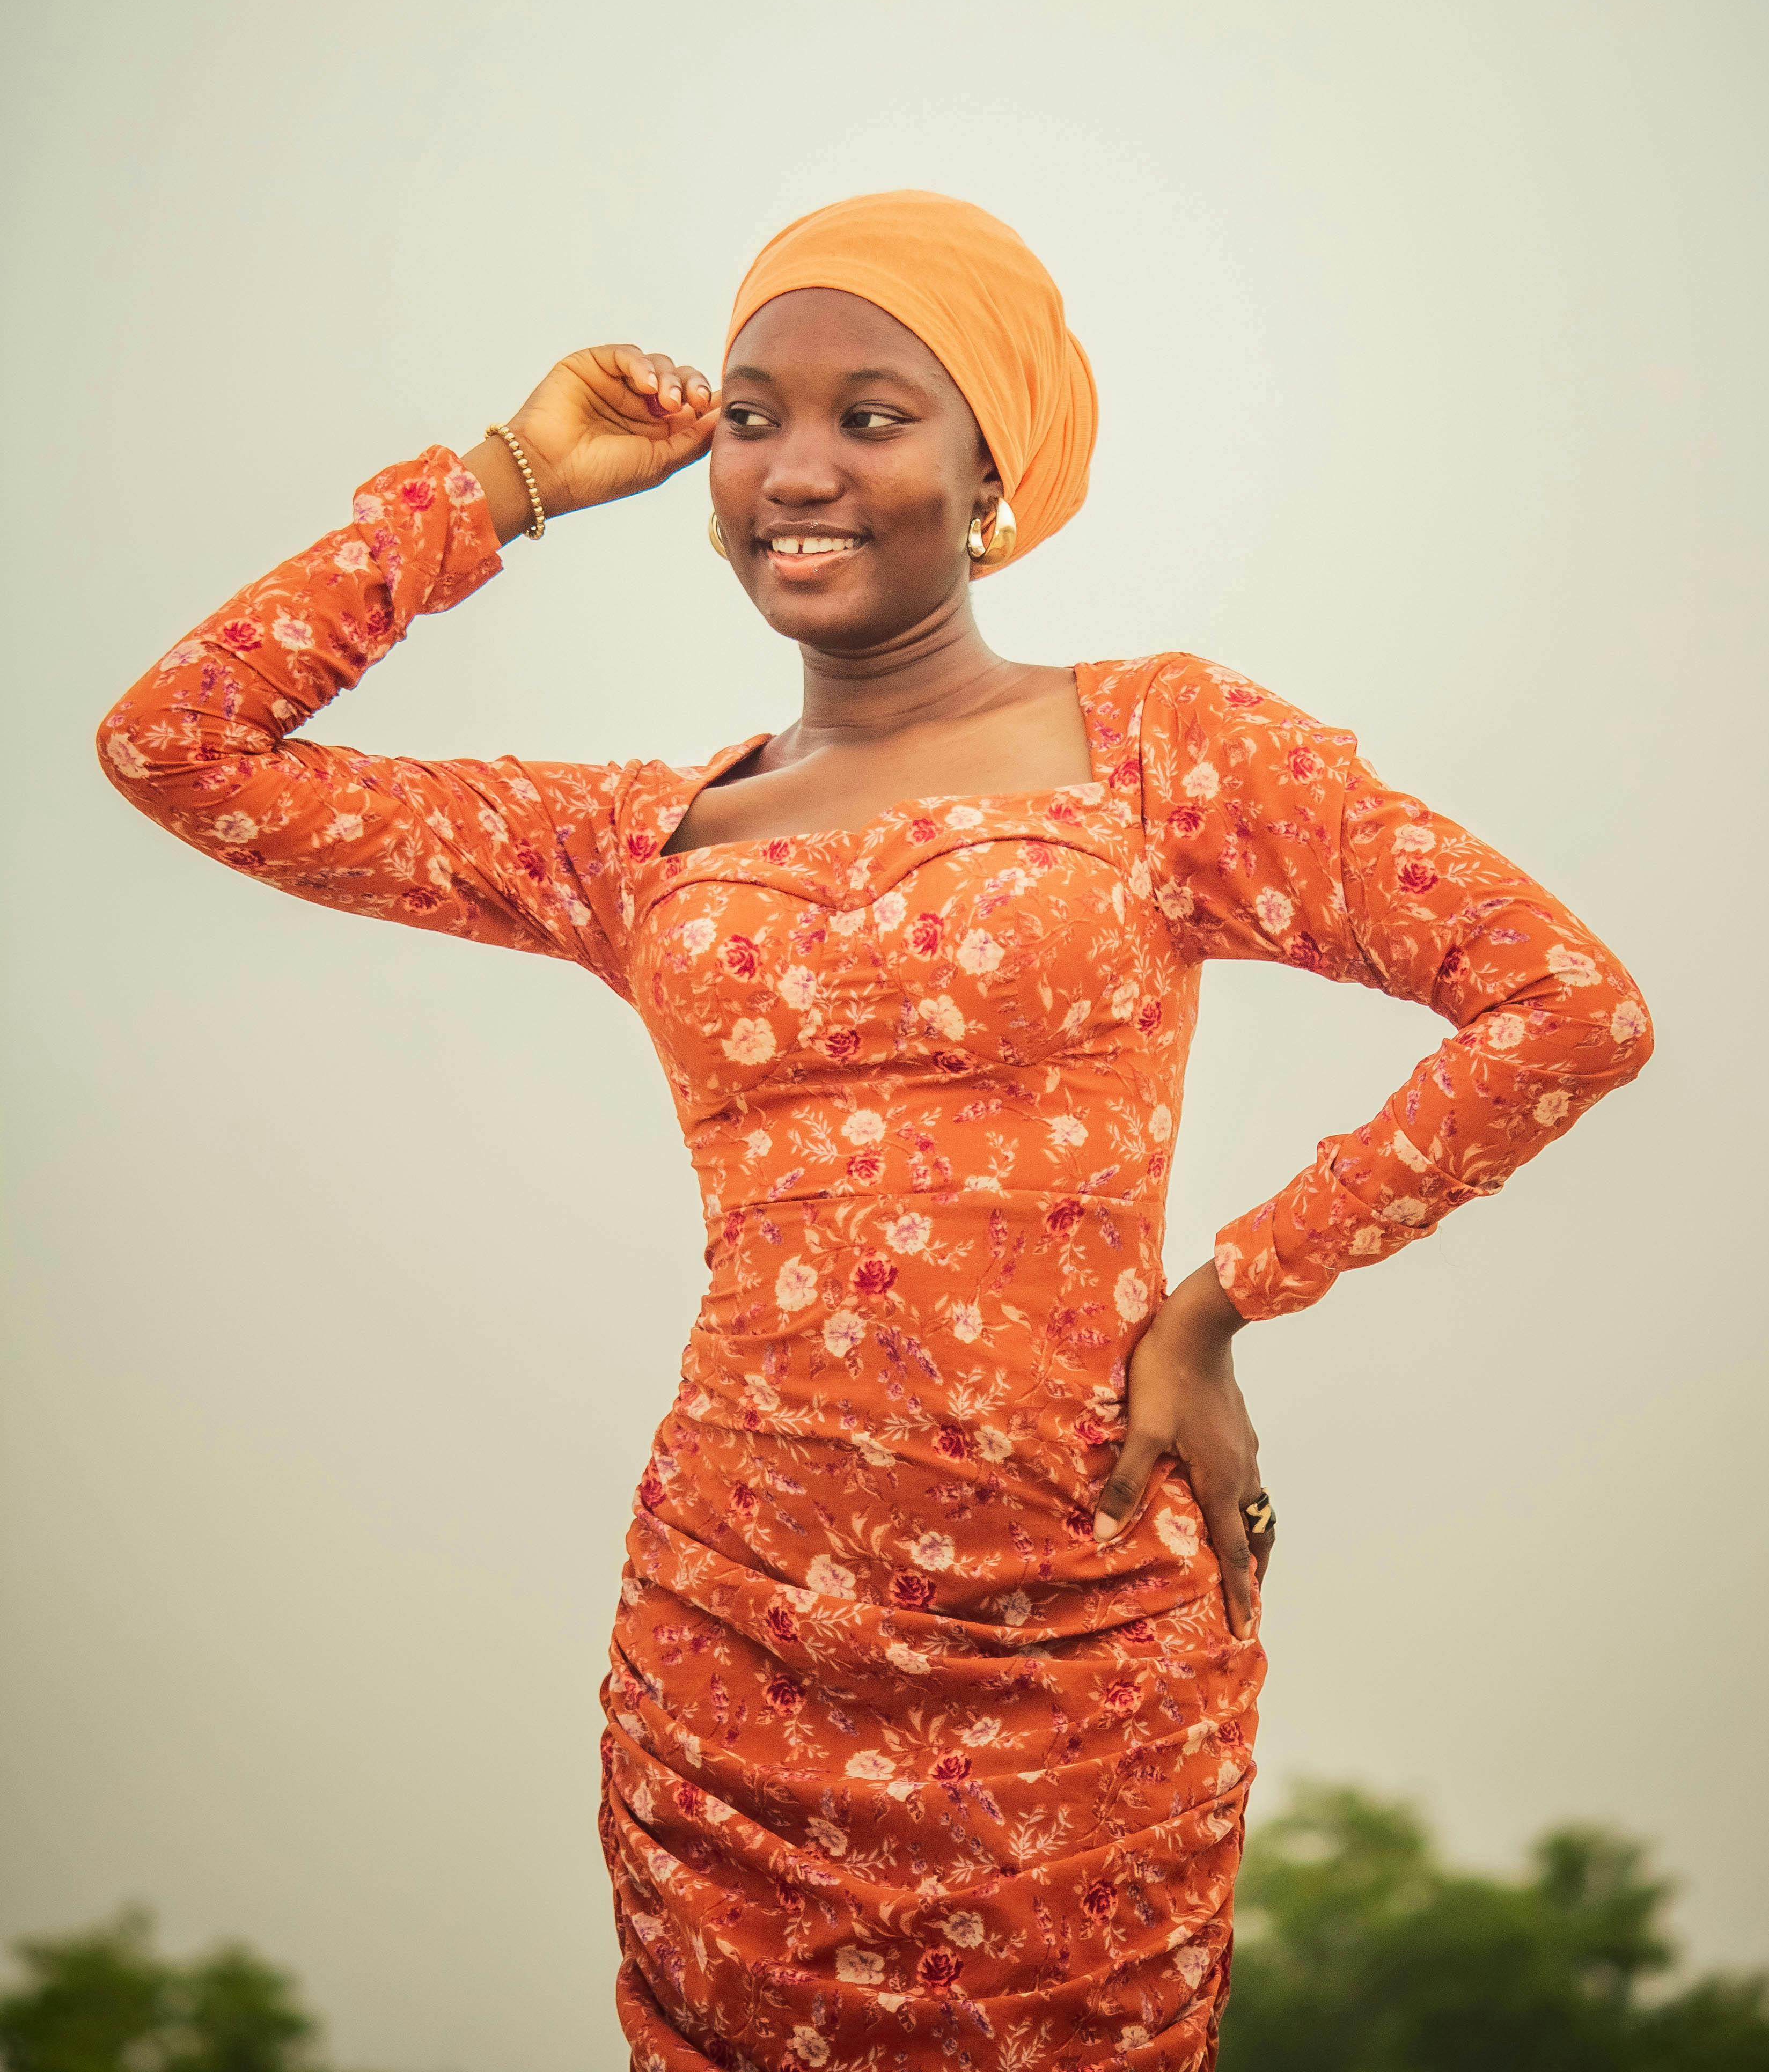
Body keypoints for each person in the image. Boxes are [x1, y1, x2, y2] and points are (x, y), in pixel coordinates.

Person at [97, 190, 1653, 2072]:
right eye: (753, 418)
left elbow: (1565, 1007)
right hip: (738, 1645)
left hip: (1075, 1647)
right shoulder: (640, 842)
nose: (799, 469)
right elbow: (179, 747)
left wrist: (1224, 1300)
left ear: (991, 472)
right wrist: (511, 479)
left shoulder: (1163, 752)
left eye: (874, 416)